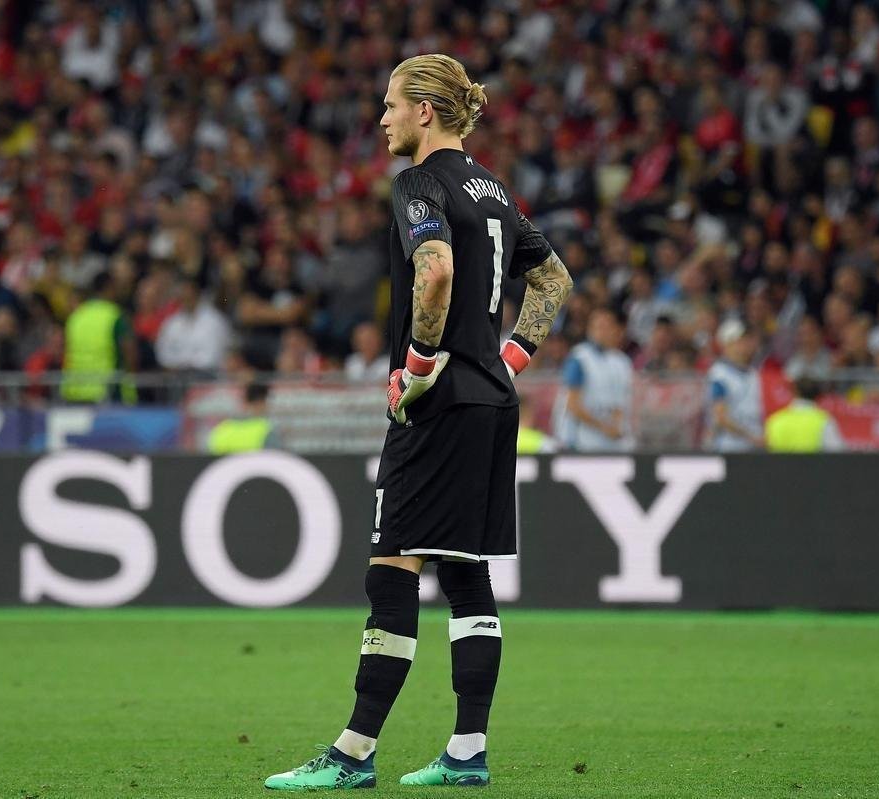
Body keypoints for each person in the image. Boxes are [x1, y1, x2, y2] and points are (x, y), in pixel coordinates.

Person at [265, 53, 572, 791]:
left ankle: (353, 752)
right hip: (495, 400)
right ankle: (467, 750)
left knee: (392, 567)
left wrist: (421, 365)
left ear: (425, 112)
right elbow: (554, 278)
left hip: (439, 405)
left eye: (391, 105)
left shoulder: (420, 184)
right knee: (468, 575)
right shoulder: (494, 191)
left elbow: (433, 270)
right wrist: (512, 357)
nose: (382, 118)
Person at [551, 307, 633, 451]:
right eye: (599, 327)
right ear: (590, 329)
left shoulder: (622, 362)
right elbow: (572, 404)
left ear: (616, 329)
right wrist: (604, 428)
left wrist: (617, 426)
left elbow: (622, 401)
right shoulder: (580, 358)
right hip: (579, 441)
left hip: (612, 443)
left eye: (607, 326)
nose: (603, 332)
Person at [60, 272, 137, 404]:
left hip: (75, 393)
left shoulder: (76, 316)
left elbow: (67, 351)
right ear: (109, 287)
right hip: (109, 391)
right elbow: (130, 354)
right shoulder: (115, 316)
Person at [705, 319, 764, 451]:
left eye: (745, 340)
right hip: (729, 446)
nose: (744, 345)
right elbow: (720, 416)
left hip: (754, 444)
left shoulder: (753, 373)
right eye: (738, 341)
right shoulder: (719, 374)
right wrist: (751, 437)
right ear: (726, 345)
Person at [765, 378, 846, 452]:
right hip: (813, 467)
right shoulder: (824, 420)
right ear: (817, 394)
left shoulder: (775, 420)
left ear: (794, 392)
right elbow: (836, 453)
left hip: (779, 467)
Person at [207, 381, 278, 454]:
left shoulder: (221, 429)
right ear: (260, 403)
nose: (269, 407)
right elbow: (274, 459)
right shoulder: (266, 429)